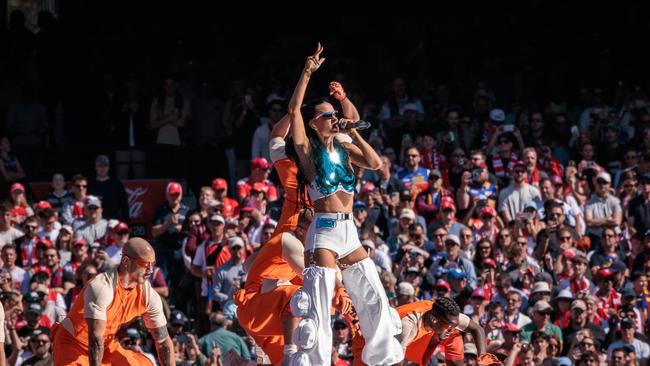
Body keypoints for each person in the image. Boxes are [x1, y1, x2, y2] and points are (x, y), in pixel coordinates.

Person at [287, 43, 403, 365]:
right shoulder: (309, 153)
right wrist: (307, 72)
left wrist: (352, 129)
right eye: (328, 115)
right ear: (315, 123)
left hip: (349, 229)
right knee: (320, 302)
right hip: (324, 230)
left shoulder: (343, 147)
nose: (335, 118)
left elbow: (376, 162)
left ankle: (383, 358)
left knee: (373, 294)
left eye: (335, 114)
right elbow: (294, 111)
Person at [52, 237, 175, 365]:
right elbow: (95, 338)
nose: (150, 270)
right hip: (73, 344)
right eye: (144, 264)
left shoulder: (148, 295)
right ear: (126, 261)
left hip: (105, 346)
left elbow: (163, 341)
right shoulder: (102, 287)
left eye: (153, 264)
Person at [396, 297, 487, 366]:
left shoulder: (444, 314)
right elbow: (394, 359)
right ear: (433, 319)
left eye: (455, 325)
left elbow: (477, 329)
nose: (452, 329)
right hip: (393, 343)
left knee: (454, 336)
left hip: (425, 333)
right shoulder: (407, 324)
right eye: (449, 326)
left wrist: (483, 360)